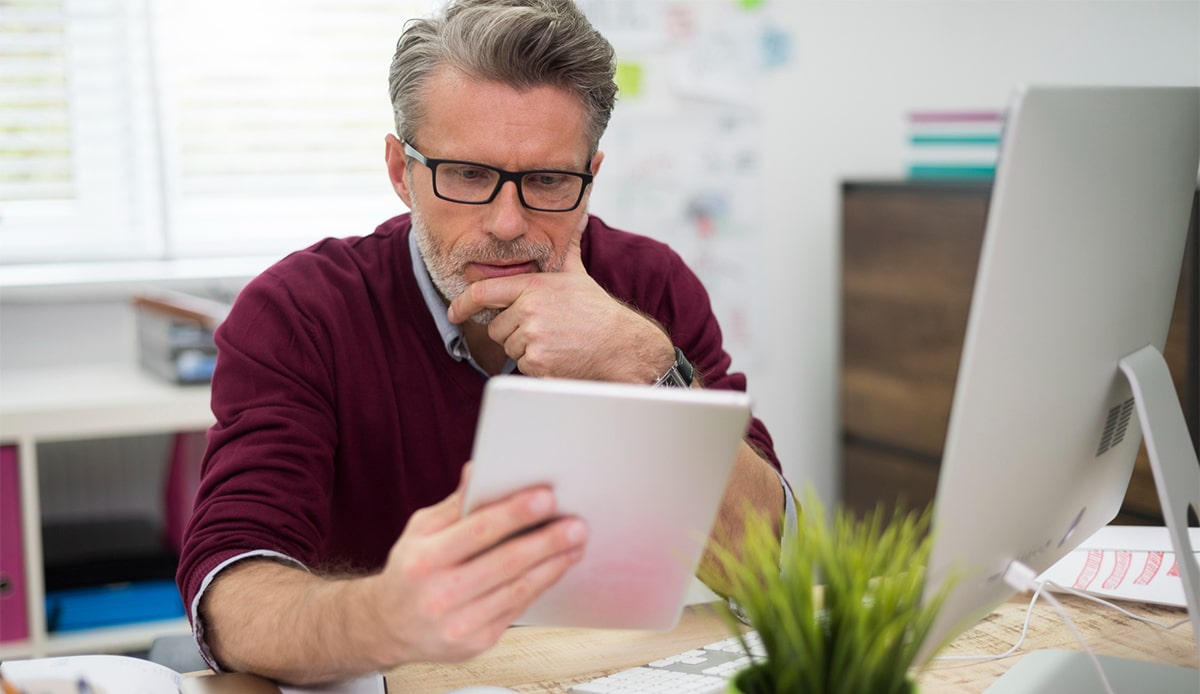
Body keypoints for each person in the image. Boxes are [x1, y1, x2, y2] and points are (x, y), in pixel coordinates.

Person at [176, 0, 792, 686]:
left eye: (549, 181)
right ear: (399, 170)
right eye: (467, 175)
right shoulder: (299, 312)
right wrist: (385, 615)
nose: (506, 223)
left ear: (591, 174)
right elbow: (229, 594)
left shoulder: (650, 287)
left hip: (607, 672)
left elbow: (762, 563)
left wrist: (643, 365)